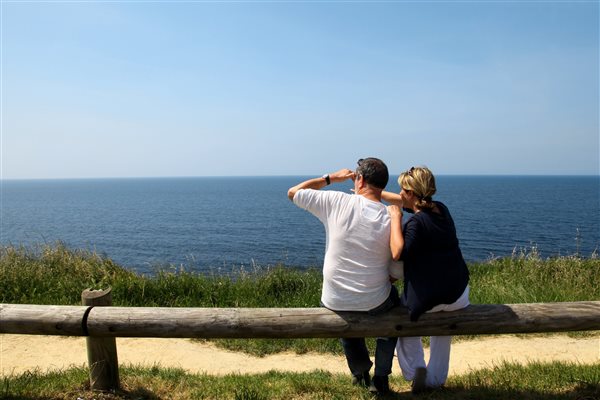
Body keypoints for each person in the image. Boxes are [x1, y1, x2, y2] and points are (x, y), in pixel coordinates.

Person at [287, 158, 400, 394]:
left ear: (359, 179)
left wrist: (331, 178)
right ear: (383, 184)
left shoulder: (336, 200)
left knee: (345, 310)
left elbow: (293, 192)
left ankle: (359, 373)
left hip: (335, 301)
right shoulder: (391, 218)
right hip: (375, 302)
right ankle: (380, 378)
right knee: (394, 306)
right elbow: (396, 270)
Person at [383, 166, 470, 394]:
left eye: (402, 190)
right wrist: (376, 193)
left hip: (430, 300)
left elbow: (397, 252)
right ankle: (435, 379)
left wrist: (395, 218)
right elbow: (408, 202)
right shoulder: (442, 209)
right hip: (459, 294)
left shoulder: (415, 224)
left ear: (411, 193)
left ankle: (415, 372)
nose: (399, 194)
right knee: (443, 332)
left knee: (405, 326)